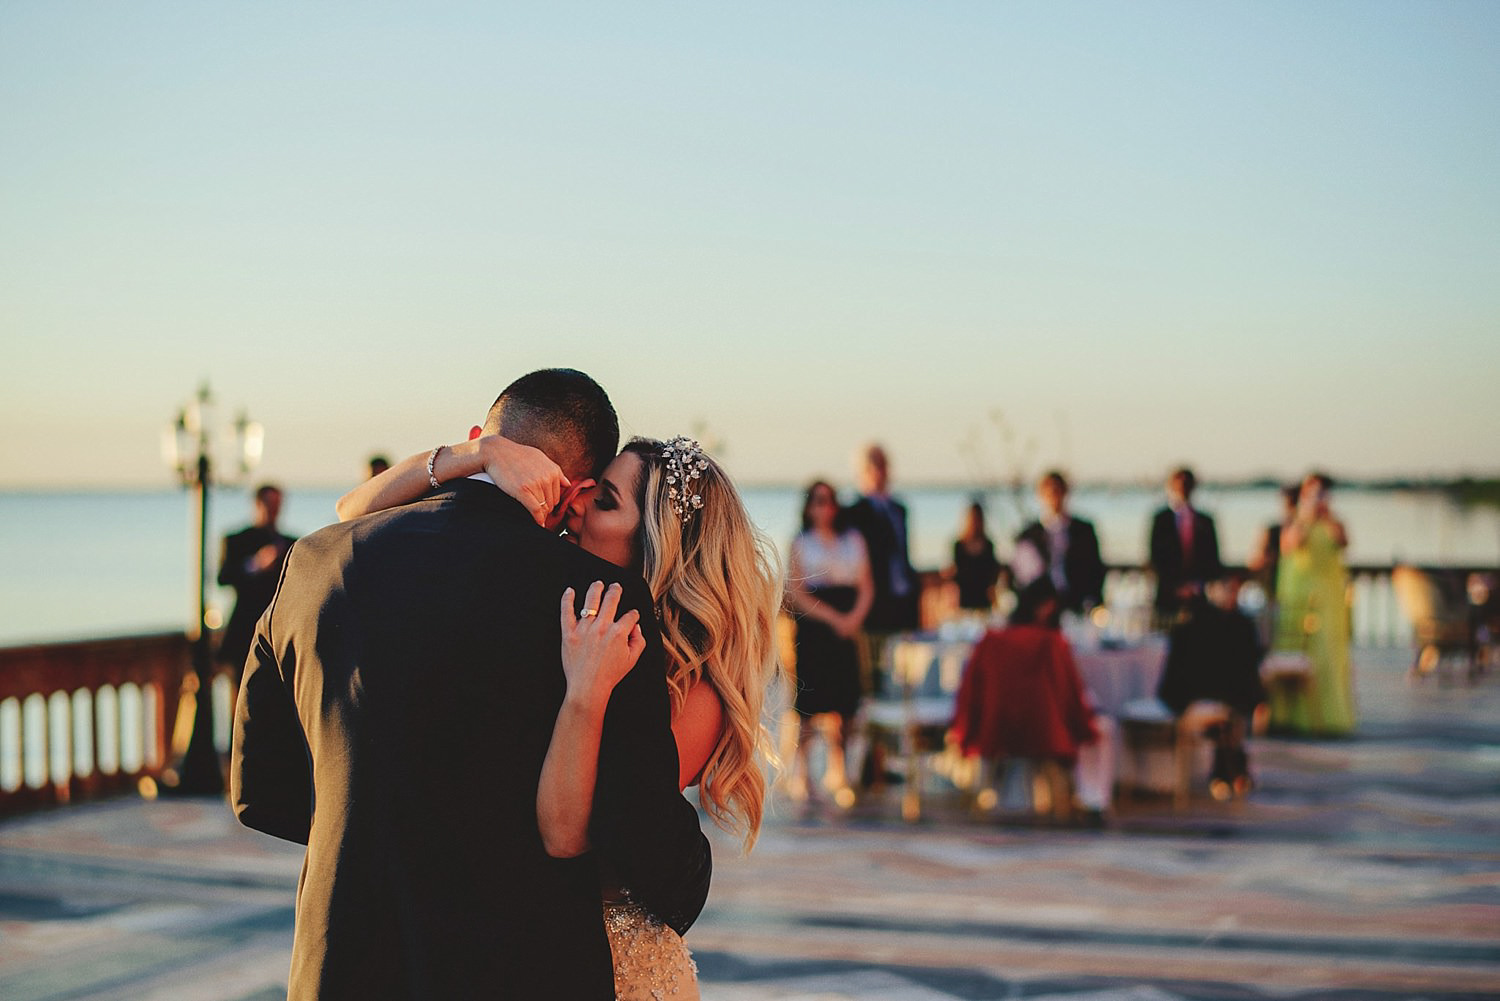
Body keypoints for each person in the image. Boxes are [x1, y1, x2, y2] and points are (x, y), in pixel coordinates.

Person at [232, 371, 736, 999]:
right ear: (572, 488)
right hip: (514, 967)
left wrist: (377, 836)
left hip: (342, 961)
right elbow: (651, 856)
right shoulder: (598, 605)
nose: (582, 511)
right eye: (593, 495)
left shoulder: (311, 563)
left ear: (484, 440)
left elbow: (261, 793)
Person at [328, 413, 782, 999]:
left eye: (605, 500)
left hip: (611, 969)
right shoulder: (565, 612)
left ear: (657, 544)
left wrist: (585, 696)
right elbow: (352, 516)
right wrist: (479, 457)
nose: (577, 504)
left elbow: (564, 833)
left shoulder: (694, 694)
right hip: (493, 947)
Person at [948, 580, 1099, 819]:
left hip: (998, 721)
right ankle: (1086, 798)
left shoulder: (995, 639)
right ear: (1048, 607)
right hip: (1044, 725)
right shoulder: (1049, 641)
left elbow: (974, 688)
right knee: (1102, 724)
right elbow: (1068, 693)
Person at [786, 481, 873, 804]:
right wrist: (833, 618)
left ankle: (841, 772)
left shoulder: (852, 540)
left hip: (847, 624)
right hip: (814, 628)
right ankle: (803, 773)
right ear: (809, 506)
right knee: (809, 704)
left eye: (829, 501)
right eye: (818, 501)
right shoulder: (801, 542)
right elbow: (796, 591)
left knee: (845, 702)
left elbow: (866, 584)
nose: (824, 508)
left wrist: (854, 618)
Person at [1156, 576, 1266, 797]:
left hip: (1212, 699)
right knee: (1226, 715)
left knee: (1226, 715)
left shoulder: (1233, 627)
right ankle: (1231, 769)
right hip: (1201, 700)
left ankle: (1227, 771)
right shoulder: (1224, 628)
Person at [1267, 472, 1356, 735]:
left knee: (1328, 657)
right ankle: (1295, 718)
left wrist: (1326, 517)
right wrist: (1306, 517)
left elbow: (1343, 542)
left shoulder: (1334, 523)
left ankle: (1329, 718)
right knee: (1300, 652)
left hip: (1329, 600)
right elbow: (1289, 546)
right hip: (1302, 600)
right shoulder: (1296, 523)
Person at [215, 484, 295, 683]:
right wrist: (255, 565)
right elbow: (223, 578)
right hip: (245, 632)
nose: (274, 510)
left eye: (278, 504)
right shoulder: (236, 540)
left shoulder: (292, 543)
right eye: (269, 504)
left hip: (280, 631)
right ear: (257, 504)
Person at [1012, 471, 1105, 616]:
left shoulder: (1083, 531)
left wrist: (1093, 604)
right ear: (1040, 495)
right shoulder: (1029, 534)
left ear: (1065, 493)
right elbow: (1022, 576)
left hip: (1076, 606)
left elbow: (1095, 570)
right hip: (1039, 610)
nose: (1053, 497)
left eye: (1057, 491)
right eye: (1049, 493)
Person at [1147, 467, 1223, 626]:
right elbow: (1155, 556)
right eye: (1179, 483)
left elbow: (1213, 558)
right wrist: (1176, 586)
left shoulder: (1205, 521)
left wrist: (1197, 585)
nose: (1183, 488)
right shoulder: (1160, 519)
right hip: (1167, 595)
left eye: (1187, 484)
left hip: (1198, 596)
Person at [949, 501, 1002, 613]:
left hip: (983, 598)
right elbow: (954, 573)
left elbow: (993, 573)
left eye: (978, 518)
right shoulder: (958, 545)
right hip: (964, 598)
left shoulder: (988, 545)